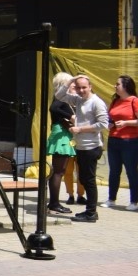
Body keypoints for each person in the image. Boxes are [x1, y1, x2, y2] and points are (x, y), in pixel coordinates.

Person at [70, 75, 109, 222]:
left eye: (84, 87)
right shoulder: (79, 100)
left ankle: (91, 213)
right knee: (83, 178)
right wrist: (72, 79)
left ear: (90, 87)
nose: (81, 90)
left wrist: (80, 129)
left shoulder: (96, 102)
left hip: (91, 146)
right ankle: (90, 210)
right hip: (81, 146)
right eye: (78, 87)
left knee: (89, 180)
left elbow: (103, 124)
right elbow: (60, 95)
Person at [105, 75, 138, 210]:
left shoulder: (134, 101)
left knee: (131, 171)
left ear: (126, 86)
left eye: (117, 84)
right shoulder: (115, 101)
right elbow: (110, 117)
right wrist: (110, 124)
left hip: (130, 141)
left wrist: (126, 123)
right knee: (114, 171)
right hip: (113, 140)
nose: (115, 86)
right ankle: (111, 199)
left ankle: (134, 201)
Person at [46, 72, 76, 214]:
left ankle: (54, 202)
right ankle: (54, 203)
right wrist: (70, 116)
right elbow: (53, 108)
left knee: (59, 171)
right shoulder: (60, 98)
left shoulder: (64, 99)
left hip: (62, 134)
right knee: (58, 171)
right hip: (61, 135)